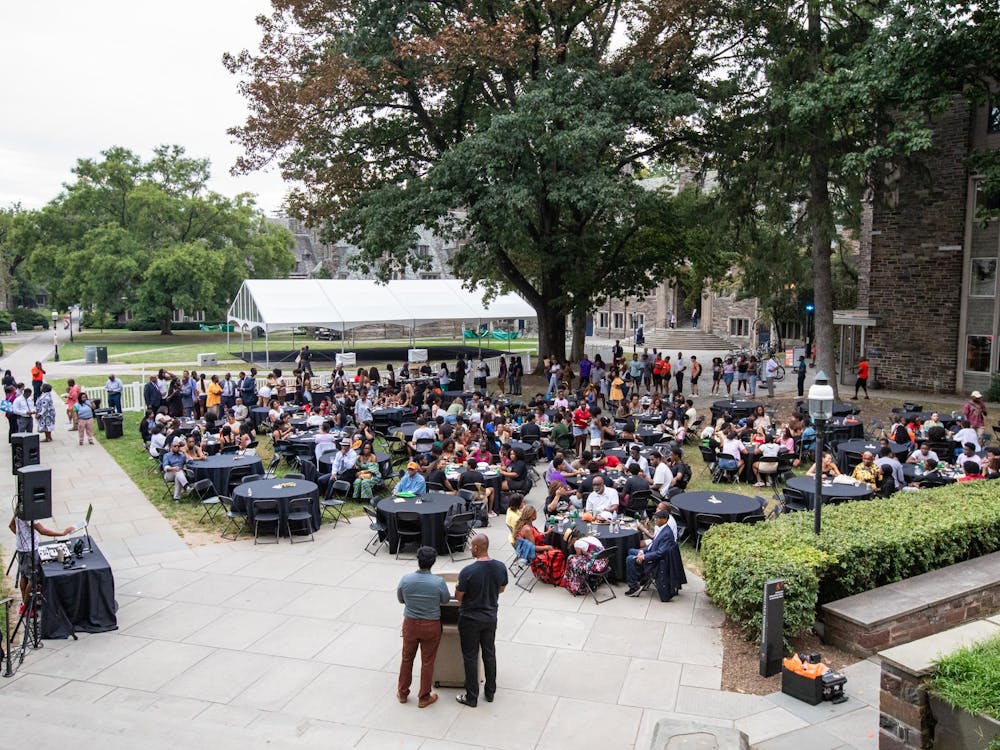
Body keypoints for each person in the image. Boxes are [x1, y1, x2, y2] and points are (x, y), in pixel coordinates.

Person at [455, 533, 508, 708]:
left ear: (477, 548)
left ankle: (472, 696)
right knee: (489, 653)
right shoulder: (500, 567)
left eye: (471, 546)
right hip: (490, 617)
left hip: (469, 619)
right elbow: (501, 589)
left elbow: (459, 597)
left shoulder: (467, 572)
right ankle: (490, 692)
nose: (470, 548)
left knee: (470, 657)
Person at [395, 546, 451, 708]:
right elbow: (445, 600)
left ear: (418, 560)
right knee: (427, 662)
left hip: (410, 623)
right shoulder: (438, 582)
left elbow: (400, 599)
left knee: (407, 658)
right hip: (431, 625)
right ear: (433, 562)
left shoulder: (406, 579)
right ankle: (424, 696)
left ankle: (403, 692)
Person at [9, 513, 73, 613]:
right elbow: (42, 531)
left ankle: (25, 604)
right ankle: (26, 608)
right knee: (33, 579)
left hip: (22, 549)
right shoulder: (31, 514)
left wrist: (21, 539)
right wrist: (62, 534)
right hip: (30, 551)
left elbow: (11, 525)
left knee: (24, 576)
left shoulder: (19, 510)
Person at [624, 510, 673, 596]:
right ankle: (639, 576)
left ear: (664, 519)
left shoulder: (667, 534)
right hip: (651, 552)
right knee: (631, 550)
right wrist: (641, 551)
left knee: (630, 559)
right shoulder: (662, 529)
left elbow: (660, 553)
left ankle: (634, 586)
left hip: (655, 561)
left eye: (657, 518)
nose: (655, 520)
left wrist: (644, 557)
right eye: (655, 518)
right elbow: (653, 544)